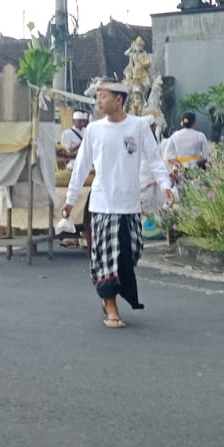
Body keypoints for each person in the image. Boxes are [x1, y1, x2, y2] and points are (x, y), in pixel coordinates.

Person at [62, 79, 173, 328]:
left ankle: (109, 295)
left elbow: (154, 159)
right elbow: (81, 167)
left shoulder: (139, 126)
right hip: (103, 204)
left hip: (130, 205)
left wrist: (166, 185)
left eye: (103, 96)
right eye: (98, 97)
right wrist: (70, 200)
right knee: (107, 257)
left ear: (119, 99)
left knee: (131, 253)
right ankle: (111, 306)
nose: (98, 102)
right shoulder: (94, 130)